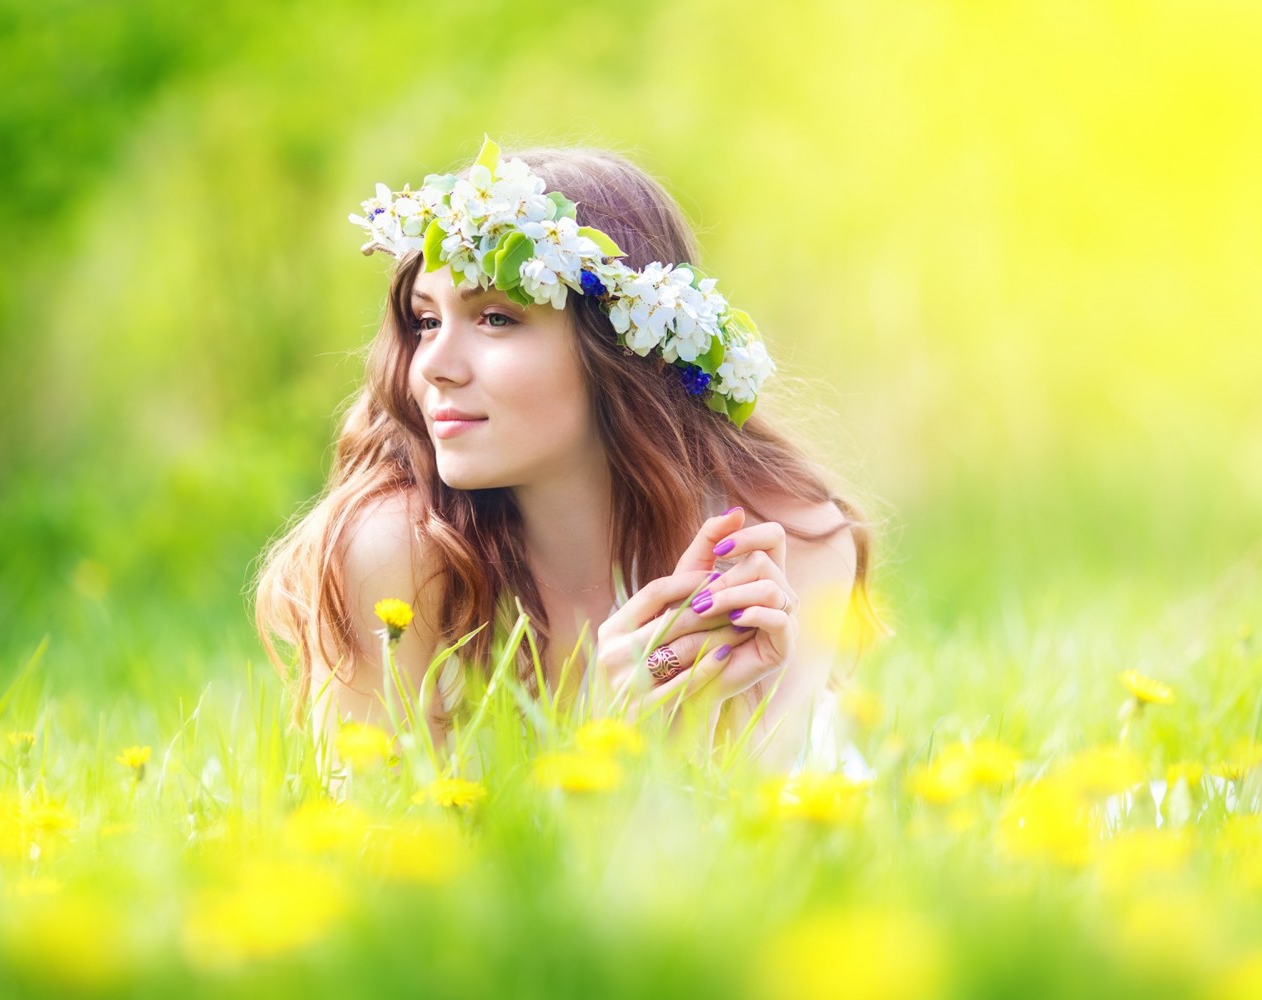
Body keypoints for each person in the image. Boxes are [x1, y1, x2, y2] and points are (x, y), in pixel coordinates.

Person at [253, 138, 886, 776]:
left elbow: (770, 850)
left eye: (496, 319)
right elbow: (370, 846)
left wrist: (685, 728)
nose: (435, 366)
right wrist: (609, 738)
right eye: (425, 322)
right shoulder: (397, 554)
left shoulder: (785, 547)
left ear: (622, 348)